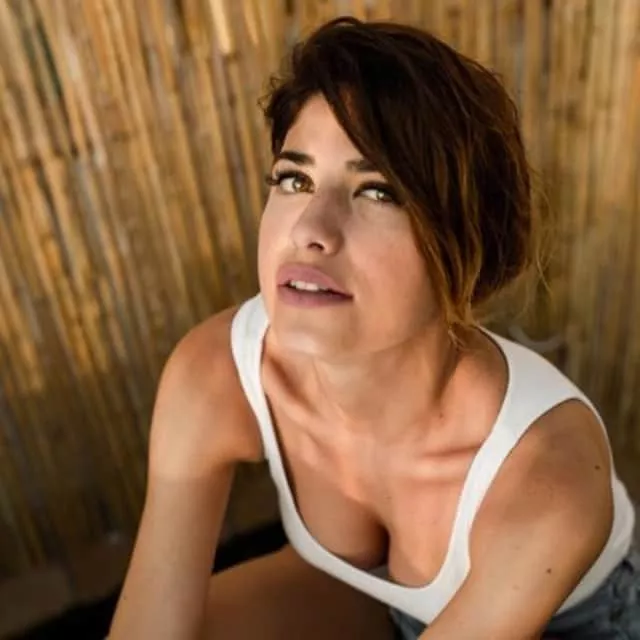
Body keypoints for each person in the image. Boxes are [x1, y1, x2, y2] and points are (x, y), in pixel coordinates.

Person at [108, 16, 640, 640]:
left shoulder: (545, 476)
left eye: (378, 192)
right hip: (363, 601)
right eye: (295, 179)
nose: (310, 229)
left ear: (464, 245)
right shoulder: (213, 374)